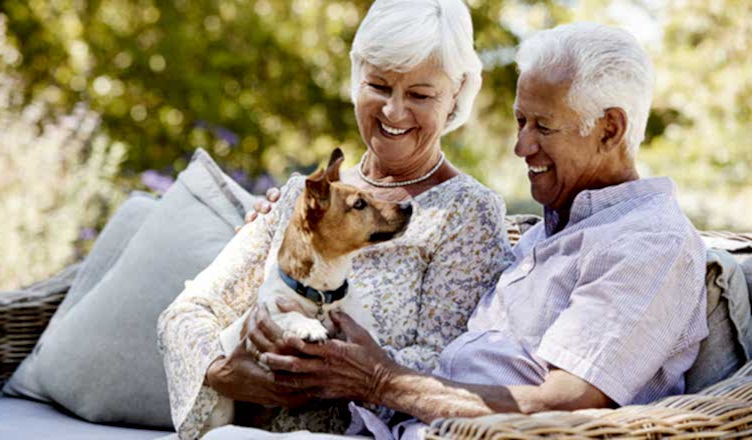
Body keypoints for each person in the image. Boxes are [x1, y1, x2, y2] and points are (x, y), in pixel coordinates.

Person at [251, 22, 708, 440]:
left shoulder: (649, 244)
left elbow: (563, 404)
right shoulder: (556, 228)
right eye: (520, 121)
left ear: (609, 130)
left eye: (542, 126)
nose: (520, 146)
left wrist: (381, 380)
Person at [157, 1, 514, 439]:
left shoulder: (467, 214)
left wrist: (352, 371)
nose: (394, 112)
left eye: (420, 95)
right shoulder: (302, 198)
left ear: (456, 94)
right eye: (379, 86)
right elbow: (188, 313)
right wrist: (223, 371)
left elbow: (451, 365)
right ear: (355, 77)